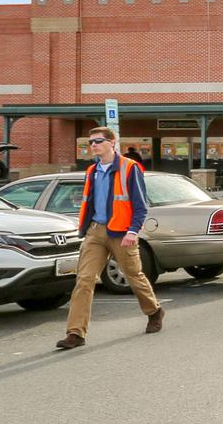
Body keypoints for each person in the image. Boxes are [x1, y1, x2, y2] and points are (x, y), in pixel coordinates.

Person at [57, 126, 163, 349]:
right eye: (90, 142)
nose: (93, 145)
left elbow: (140, 205)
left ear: (111, 143)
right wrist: (84, 228)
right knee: (84, 280)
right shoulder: (91, 171)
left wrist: (133, 231)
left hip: (122, 232)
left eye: (98, 141)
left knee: (133, 275)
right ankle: (76, 333)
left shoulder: (129, 168)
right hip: (96, 231)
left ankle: (154, 311)